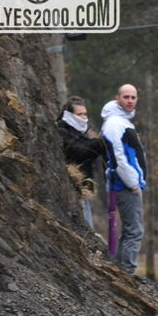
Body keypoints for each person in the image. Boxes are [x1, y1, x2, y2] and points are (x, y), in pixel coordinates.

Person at [101, 84, 145, 274]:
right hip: (124, 186)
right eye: (126, 97)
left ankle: (122, 271)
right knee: (134, 231)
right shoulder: (114, 123)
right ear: (117, 98)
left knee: (130, 231)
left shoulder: (123, 121)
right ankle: (128, 273)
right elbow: (117, 157)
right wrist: (132, 183)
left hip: (129, 184)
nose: (130, 101)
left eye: (133, 97)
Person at [56, 96, 105, 228]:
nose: (84, 117)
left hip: (84, 186)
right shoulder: (62, 131)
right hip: (73, 186)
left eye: (85, 114)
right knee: (85, 226)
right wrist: (99, 143)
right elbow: (79, 151)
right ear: (69, 115)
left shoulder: (82, 132)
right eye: (80, 114)